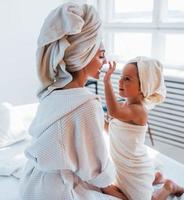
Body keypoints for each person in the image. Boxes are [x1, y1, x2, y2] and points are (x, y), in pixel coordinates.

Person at [18, 3, 125, 200]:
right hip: (57, 192)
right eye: (101, 55)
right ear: (83, 56)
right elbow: (93, 165)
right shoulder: (87, 103)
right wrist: (106, 184)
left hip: (32, 184)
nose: (105, 62)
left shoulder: (51, 92)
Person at [102, 57, 184, 200]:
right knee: (111, 187)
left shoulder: (139, 110)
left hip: (135, 169)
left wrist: (106, 81)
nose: (120, 81)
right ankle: (155, 177)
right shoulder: (123, 105)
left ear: (143, 87)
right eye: (121, 77)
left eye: (127, 79)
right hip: (123, 168)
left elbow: (113, 112)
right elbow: (111, 130)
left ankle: (168, 187)